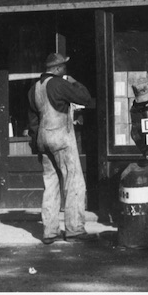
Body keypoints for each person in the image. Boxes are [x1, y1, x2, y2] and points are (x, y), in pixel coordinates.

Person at [28, 52, 96, 244]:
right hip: (60, 137)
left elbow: (33, 121)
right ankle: (74, 229)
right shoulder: (59, 83)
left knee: (50, 184)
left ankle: (50, 231)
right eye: (64, 67)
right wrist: (74, 82)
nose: (66, 70)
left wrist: (37, 145)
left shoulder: (34, 88)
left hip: (43, 138)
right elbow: (84, 98)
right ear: (57, 69)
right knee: (74, 182)